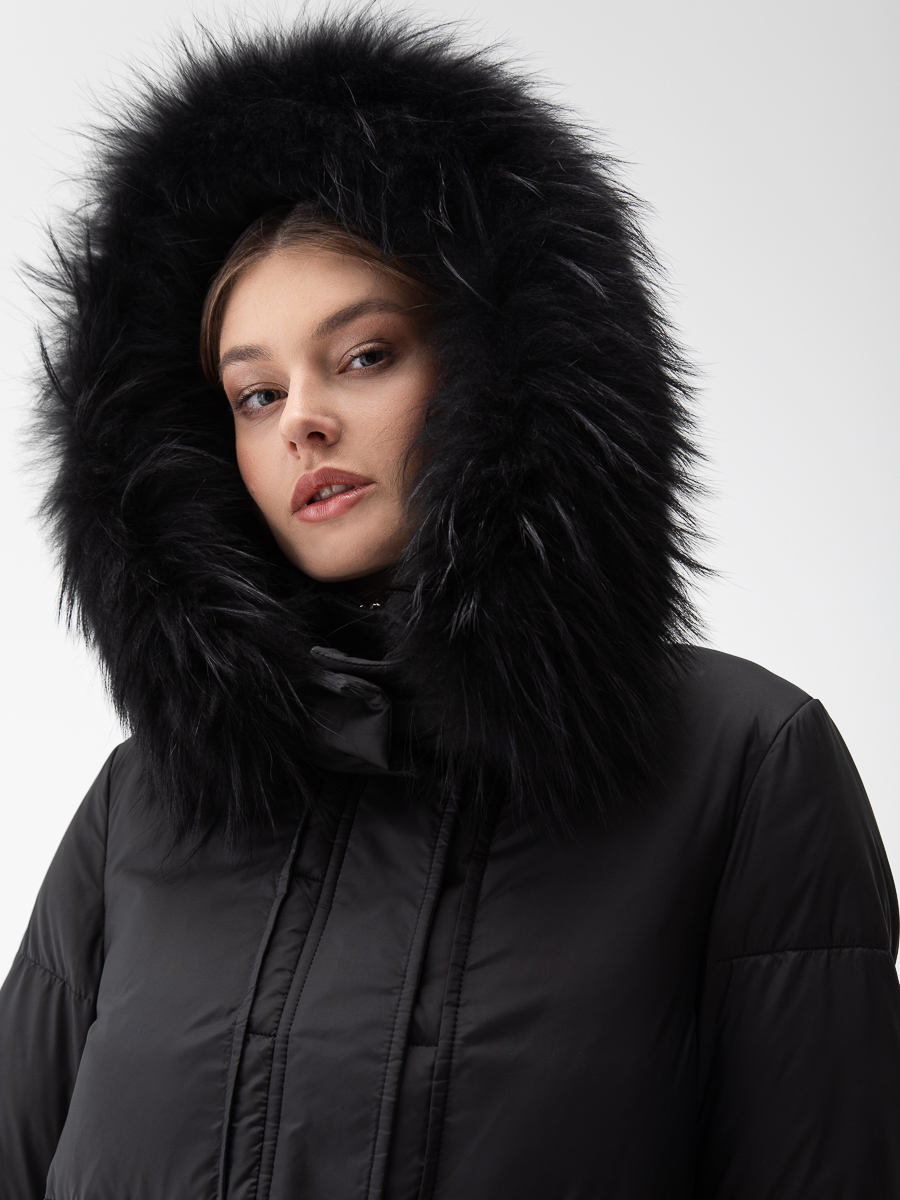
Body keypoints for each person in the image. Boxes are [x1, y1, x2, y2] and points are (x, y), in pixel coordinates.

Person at [1, 16, 899, 1200]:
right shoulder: (143, 807)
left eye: (364, 356)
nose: (301, 420)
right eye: (255, 393)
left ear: (497, 371)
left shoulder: (739, 768)